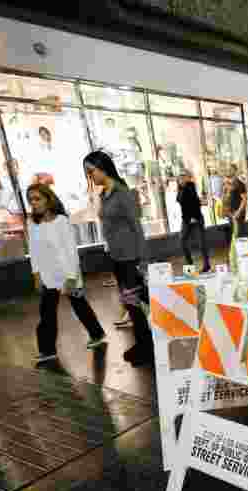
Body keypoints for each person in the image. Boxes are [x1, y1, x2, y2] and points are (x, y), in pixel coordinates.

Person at [83, 151, 152, 367]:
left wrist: (143, 259)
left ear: (103, 167)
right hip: (117, 258)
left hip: (131, 259)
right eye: (87, 172)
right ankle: (144, 344)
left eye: (91, 171)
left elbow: (136, 227)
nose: (90, 176)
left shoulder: (123, 193)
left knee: (138, 303)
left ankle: (147, 348)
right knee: (132, 304)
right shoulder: (105, 194)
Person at [26, 183, 106, 365]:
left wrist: (70, 277)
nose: (34, 203)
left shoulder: (62, 221)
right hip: (48, 276)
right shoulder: (32, 223)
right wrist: (36, 273)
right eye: (31, 199)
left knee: (80, 306)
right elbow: (34, 250)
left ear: (48, 199)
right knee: (46, 314)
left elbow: (71, 251)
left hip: (68, 272)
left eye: (37, 198)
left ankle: (97, 334)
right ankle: (47, 350)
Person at [177, 170, 210, 272]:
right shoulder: (182, 188)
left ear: (188, 177)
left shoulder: (190, 186)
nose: (181, 179)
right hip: (186, 220)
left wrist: (194, 216)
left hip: (195, 219)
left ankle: (206, 265)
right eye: (180, 177)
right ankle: (190, 265)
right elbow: (180, 199)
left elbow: (193, 202)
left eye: (183, 177)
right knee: (182, 241)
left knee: (201, 242)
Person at [224, 165, 248, 271]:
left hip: (237, 215)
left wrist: (238, 212)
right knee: (234, 236)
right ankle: (234, 259)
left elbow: (244, 199)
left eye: (230, 169)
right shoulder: (230, 184)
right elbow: (227, 198)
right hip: (231, 214)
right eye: (228, 169)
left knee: (237, 236)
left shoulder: (240, 184)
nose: (228, 171)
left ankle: (237, 260)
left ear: (235, 171)